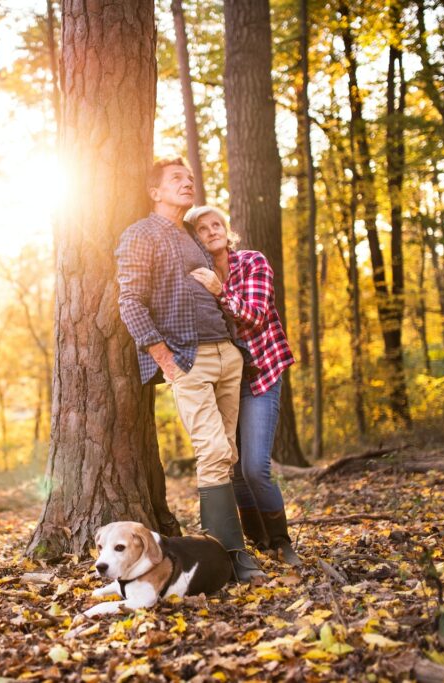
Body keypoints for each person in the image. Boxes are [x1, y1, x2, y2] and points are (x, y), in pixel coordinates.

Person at [115, 158, 265, 583]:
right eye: (177, 179)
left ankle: (223, 551)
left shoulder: (192, 236)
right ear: (155, 192)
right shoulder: (139, 234)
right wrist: (164, 358)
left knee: (228, 454)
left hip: (227, 354)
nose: (187, 183)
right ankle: (232, 556)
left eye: (190, 178)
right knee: (213, 451)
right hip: (187, 358)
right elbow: (130, 301)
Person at [185, 204, 301, 565]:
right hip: (224, 380)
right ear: (195, 239)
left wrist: (220, 292)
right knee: (232, 467)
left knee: (254, 468)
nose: (212, 231)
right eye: (203, 228)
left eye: (217, 224)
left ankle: (282, 541)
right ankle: (259, 540)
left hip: (261, 373)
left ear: (227, 230)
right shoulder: (194, 274)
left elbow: (256, 317)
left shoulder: (252, 261)